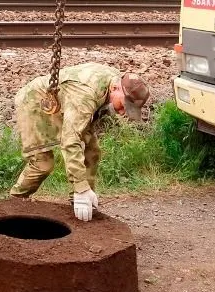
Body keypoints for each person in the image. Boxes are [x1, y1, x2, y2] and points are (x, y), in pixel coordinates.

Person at [8, 64, 151, 221]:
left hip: (65, 102)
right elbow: (70, 142)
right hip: (35, 103)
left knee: (92, 152)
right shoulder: (85, 95)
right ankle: (15, 202)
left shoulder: (116, 80)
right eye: (124, 105)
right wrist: (80, 188)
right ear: (116, 88)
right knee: (43, 164)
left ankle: (81, 201)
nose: (123, 112)